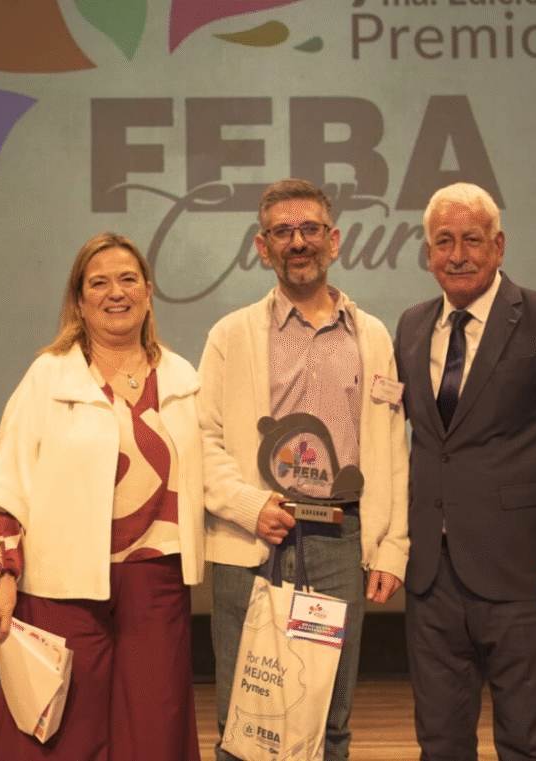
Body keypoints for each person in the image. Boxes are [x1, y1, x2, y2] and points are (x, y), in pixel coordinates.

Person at [0, 232, 205, 761]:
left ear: (148, 291)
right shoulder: (48, 376)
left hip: (157, 580)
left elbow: (214, 471)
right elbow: (8, 481)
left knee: (156, 729)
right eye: (98, 283)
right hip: (63, 583)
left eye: (127, 279)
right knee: (63, 735)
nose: (115, 292)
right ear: (79, 301)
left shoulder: (182, 376)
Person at [394, 183, 536, 761]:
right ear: (428, 252)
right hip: (431, 579)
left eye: (472, 239)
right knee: (440, 746)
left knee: (527, 744)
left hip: (524, 577)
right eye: (444, 242)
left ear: (499, 245)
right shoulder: (411, 326)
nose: (458, 254)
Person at [199, 178, 409, 761]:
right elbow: (202, 441)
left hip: (339, 541)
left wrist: (392, 548)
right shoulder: (231, 335)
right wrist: (250, 506)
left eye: (310, 229)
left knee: (329, 720)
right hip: (253, 540)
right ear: (262, 247)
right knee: (244, 722)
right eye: (283, 232)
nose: (298, 242)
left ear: (333, 240)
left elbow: (392, 448)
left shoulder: (371, 336)